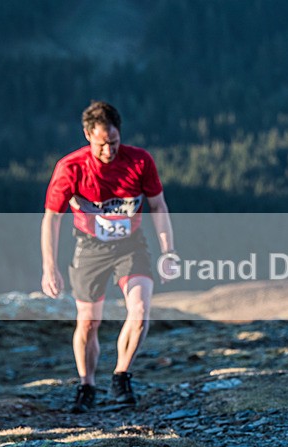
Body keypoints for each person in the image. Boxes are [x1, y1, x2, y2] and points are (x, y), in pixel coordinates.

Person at [41, 101, 176, 414]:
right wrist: (49, 267)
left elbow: (158, 206)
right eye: (102, 144)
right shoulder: (70, 168)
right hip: (89, 248)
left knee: (140, 309)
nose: (108, 151)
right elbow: (51, 218)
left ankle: (121, 375)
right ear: (88, 135)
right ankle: (86, 385)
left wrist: (168, 250)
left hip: (131, 245)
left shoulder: (140, 161)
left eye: (114, 143)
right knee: (88, 323)